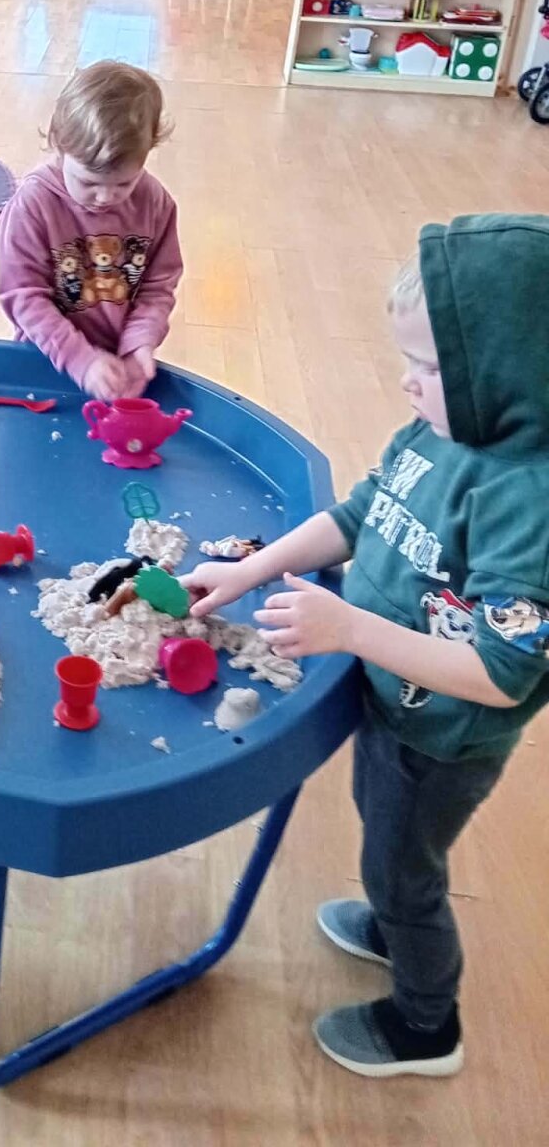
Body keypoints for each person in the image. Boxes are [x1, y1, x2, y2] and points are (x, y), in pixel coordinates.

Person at [182, 214, 549, 1079]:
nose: (407, 380)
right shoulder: (435, 434)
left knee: (404, 869)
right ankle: (390, 923)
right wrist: (251, 569)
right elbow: (357, 516)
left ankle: (426, 1025)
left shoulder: (528, 507)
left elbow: (503, 673)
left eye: (432, 368)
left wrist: (349, 628)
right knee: (382, 827)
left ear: (510, 377)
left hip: (442, 738)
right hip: (391, 697)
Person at [0, 60, 182, 400]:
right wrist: (81, 360)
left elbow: (157, 287)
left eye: (124, 183)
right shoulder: (33, 204)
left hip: (117, 366)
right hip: (46, 362)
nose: (106, 197)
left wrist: (139, 343)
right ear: (58, 144)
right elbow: (22, 294)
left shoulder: (156, 203)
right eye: (88, 182)